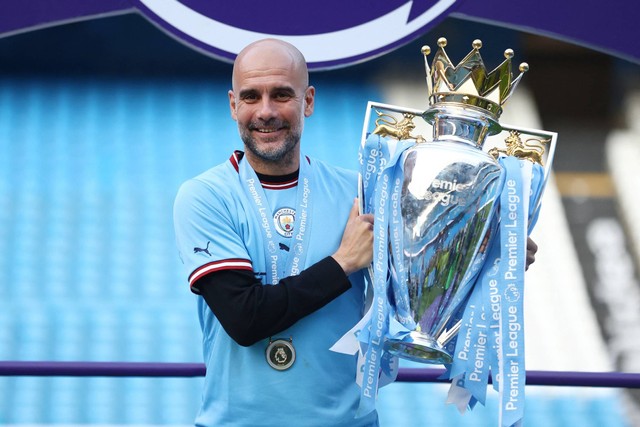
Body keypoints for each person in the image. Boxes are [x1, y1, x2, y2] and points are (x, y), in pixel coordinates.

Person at [173, 38, 538, 427]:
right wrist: (342, 263)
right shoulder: (205, 196)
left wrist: (487, 256)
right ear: (233, 105)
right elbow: (245, 320)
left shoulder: (363, 192)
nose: (265, 111)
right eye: (251, 97)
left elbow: (416, 298)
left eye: (281, 95)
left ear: (308, 101)